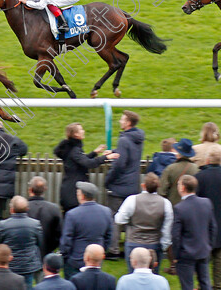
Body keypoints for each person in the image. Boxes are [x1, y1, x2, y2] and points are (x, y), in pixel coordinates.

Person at [194, 150, 221, 289]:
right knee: (219, 254)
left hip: (203, 220)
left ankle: (202, 284)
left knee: (203, 255)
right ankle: (217, 285)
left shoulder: (199, 177)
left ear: (207, 161)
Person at [113, 173, 172, 274]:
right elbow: (167, 229)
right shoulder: (165, 203)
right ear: (158, 186)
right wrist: (164, 245)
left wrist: (131, 220)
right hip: (154, 244)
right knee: (153, 276)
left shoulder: (132, 200)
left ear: (143, 185)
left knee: (133, 275)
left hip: (133, 242)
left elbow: (119, 219)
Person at [105, 110, 144, 258]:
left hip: (119, 186)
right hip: (133, 185)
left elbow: (120, 164)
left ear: (128, 123)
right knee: (130, 219)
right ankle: (131, 249)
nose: (120, 121)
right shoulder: (137, 138)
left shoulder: (124, 140)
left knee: (115, 219)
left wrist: (108, 180)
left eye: (122, 119)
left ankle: (113, 250)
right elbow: (129, 153)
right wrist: (115, 151)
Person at [54, 123, 115, 212]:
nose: (84, 131)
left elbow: (80, 161)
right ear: (76, 134)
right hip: (73, 193)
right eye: (81, 130)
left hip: (69, 190)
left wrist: (94, 153)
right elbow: (88, 163)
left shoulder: (72, 149)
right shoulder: (75, 150)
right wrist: (106, 157)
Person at [171, 175, 215, 290]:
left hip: (186, 254)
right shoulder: (206, 203)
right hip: (203, 250)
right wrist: (209, 246)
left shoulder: (179, 208)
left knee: (187, 285)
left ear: (183, 188)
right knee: (205, 283)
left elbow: (176, 235)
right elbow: (213, 227)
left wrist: (175, 255)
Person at [60, 182, 113, 277]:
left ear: (82, 196)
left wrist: (64, 255)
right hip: (95, 259)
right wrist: (100, 251)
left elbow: (66, 240)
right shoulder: (106, 212)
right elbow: (108, 236)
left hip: (75, 260)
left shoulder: (72, 214)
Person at [18, 0, 82, 46]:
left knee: (50, 4)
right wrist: (26, 1)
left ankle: (64, 24)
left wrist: (26, 2)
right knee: (48, 3)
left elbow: (41, 5)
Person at [0, 196, 44, 287]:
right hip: (28, 265)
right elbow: (40, 244)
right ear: (27, 209)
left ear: (11, 209)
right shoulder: (35, 224)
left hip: (10, 264)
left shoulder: (3, 225)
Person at [27, 177, 62, 258]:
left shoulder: (23, 208)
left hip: (26, 252)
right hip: (47, 252)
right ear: (45, 189)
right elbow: (59, 233)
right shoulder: (54, 209)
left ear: (30, 189)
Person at [158, 138, 198, 207]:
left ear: (178, 152)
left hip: (173, 206)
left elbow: (161, 191)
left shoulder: (170, 168)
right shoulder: (196, 169)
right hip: (192, 207)